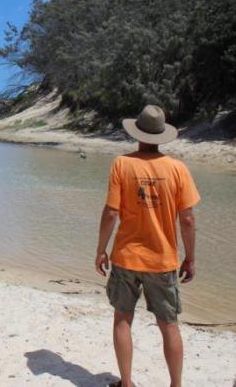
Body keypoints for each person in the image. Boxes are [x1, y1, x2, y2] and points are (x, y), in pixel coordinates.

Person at [95, 105, 199, 387]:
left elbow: (111, 212)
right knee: (169, 325)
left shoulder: (122, 164)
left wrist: (101, 249)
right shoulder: (178, 169)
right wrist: (190, 258)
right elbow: (187, 219)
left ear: (137, 133)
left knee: (122, 319)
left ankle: (126, 383)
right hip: (162, 260)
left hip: (127, 258)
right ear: (162, 136)